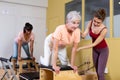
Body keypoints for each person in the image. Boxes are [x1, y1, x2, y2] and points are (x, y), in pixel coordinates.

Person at [77, 8, 109, 80]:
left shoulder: (104, 29)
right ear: (93, 18)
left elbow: (94, 44)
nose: (96, 23)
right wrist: (78, 30)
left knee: (100, 73)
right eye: (95, 21)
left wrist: (81, 48)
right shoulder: (91, 23)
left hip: (103, 50)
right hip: (95, 50)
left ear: (102, 21)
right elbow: (84, 36)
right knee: (97, 72)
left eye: (98, 22)